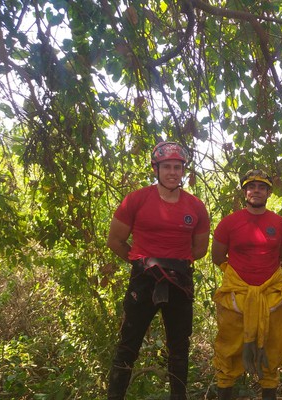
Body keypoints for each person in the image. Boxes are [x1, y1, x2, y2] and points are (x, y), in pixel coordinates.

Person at [106, 141, 210, 400]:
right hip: (143, 280)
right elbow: (115, 241)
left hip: (180, 281)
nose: (172, 172)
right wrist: (141, 263)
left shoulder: (195, 206)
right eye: (166, 167)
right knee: (128, 344)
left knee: (179, 347)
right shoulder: (137, 199)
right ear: (156, 169)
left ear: (183, 170)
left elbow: (200, 249)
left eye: (177, 167)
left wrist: (174, 263)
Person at [211, 169, 282, 400]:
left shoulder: (280, 224)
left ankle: (268, 391)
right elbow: (217, 257)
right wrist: (241, 282)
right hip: (236, 298)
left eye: (261, 187)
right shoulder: (229, 223)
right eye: (251, 186)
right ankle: (225, 390)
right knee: (229, 347)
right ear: (244, 192)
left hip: (271, 298)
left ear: (269, 192)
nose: (255, 191)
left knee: (273, 345)